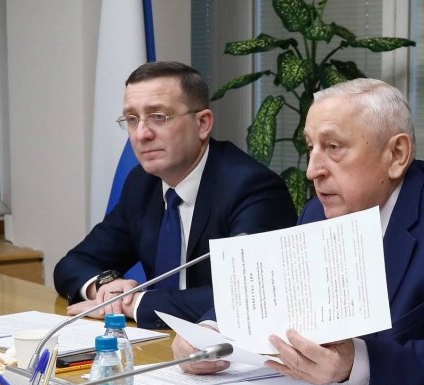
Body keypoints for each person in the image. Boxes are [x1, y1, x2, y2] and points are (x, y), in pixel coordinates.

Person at [172, 78, 424, 385]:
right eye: (311, 147)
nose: (312, 170)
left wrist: (358, 364)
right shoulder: (319, 212)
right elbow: (274, 299)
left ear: (396, 154)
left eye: (333, 147)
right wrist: (209, 331)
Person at [54, 61, 297, 329]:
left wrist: (132, 303)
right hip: (158, 341)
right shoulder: (142, 184)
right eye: (132, 119)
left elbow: (249, 295)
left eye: (158, 117)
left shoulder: (251, 187)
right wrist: (104, 287)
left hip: (222, 347)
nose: (142, 134)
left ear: (202, 123)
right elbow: (73, 263)